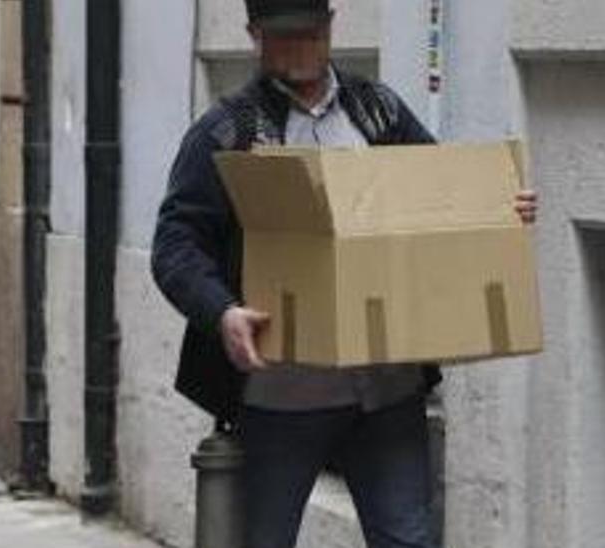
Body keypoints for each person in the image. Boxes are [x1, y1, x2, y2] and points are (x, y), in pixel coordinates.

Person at [150, 1, 538, 546]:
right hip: (276, 398)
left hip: (384, 392)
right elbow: (175, 244)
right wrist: (222, 312)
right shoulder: (227, 130)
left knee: (408, 539)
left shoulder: (378, 111)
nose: (300, 48)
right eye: (283, 37)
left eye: (310, 33)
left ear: (331, 26)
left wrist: (499, 207)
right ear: (254, 36)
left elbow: (440, 197)